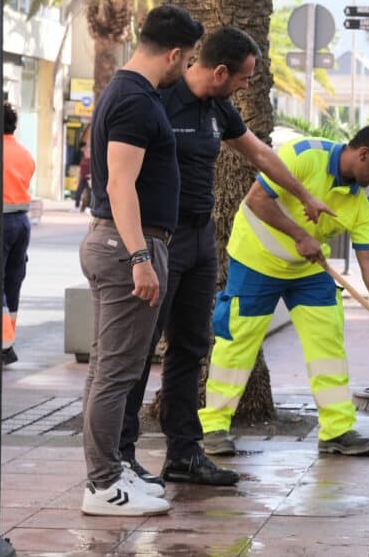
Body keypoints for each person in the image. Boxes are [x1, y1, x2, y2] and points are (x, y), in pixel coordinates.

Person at [118, 26, 335, 488]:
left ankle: (183, 454)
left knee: (192, 346)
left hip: (200, 240)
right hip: (161, 240)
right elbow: (120, 177)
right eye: (243, 78)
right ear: (220, 71)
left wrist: (305, 196)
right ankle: (122, 457)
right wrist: (137, 249)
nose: (245, 87)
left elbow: (259, 152)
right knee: (139, 351)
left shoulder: (218, 107)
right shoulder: (159, 97)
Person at [198, 124, 369, 457]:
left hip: (310, 268)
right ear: (364, 154)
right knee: (237, 341)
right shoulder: (304, 156)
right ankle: (214, 427)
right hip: (257, 260)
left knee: (327, 340)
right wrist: (300, 235)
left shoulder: (363, 201)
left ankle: (337, 430)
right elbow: (256, 200)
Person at [79, 4, 204, 517]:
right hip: (126, 244)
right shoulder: (133, 99)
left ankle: (110, 472)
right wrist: (139, 256)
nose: (188, 67)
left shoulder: (128, 91)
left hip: (125, 242)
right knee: (116, 373)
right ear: (175, 54)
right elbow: (118, 182)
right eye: (190, 58)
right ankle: (104, 484)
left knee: (109, 371)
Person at [2, 99, 36, 365]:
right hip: (21, 222)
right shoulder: (24, 153)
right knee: (13, 282)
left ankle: (2, 344)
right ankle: (8, 339)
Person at [74, 141, 91, 212]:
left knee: (89, 194)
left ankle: (88, 207)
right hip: (82, 178)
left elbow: (95, 168)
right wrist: (77, 177)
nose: (86, 152)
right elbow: (80, 168)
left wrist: (92, 175)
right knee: (78, 192)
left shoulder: (92, 159)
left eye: (87, 151)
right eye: (85, 151)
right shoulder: (83, 158)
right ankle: (77, 206)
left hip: (89, 179)